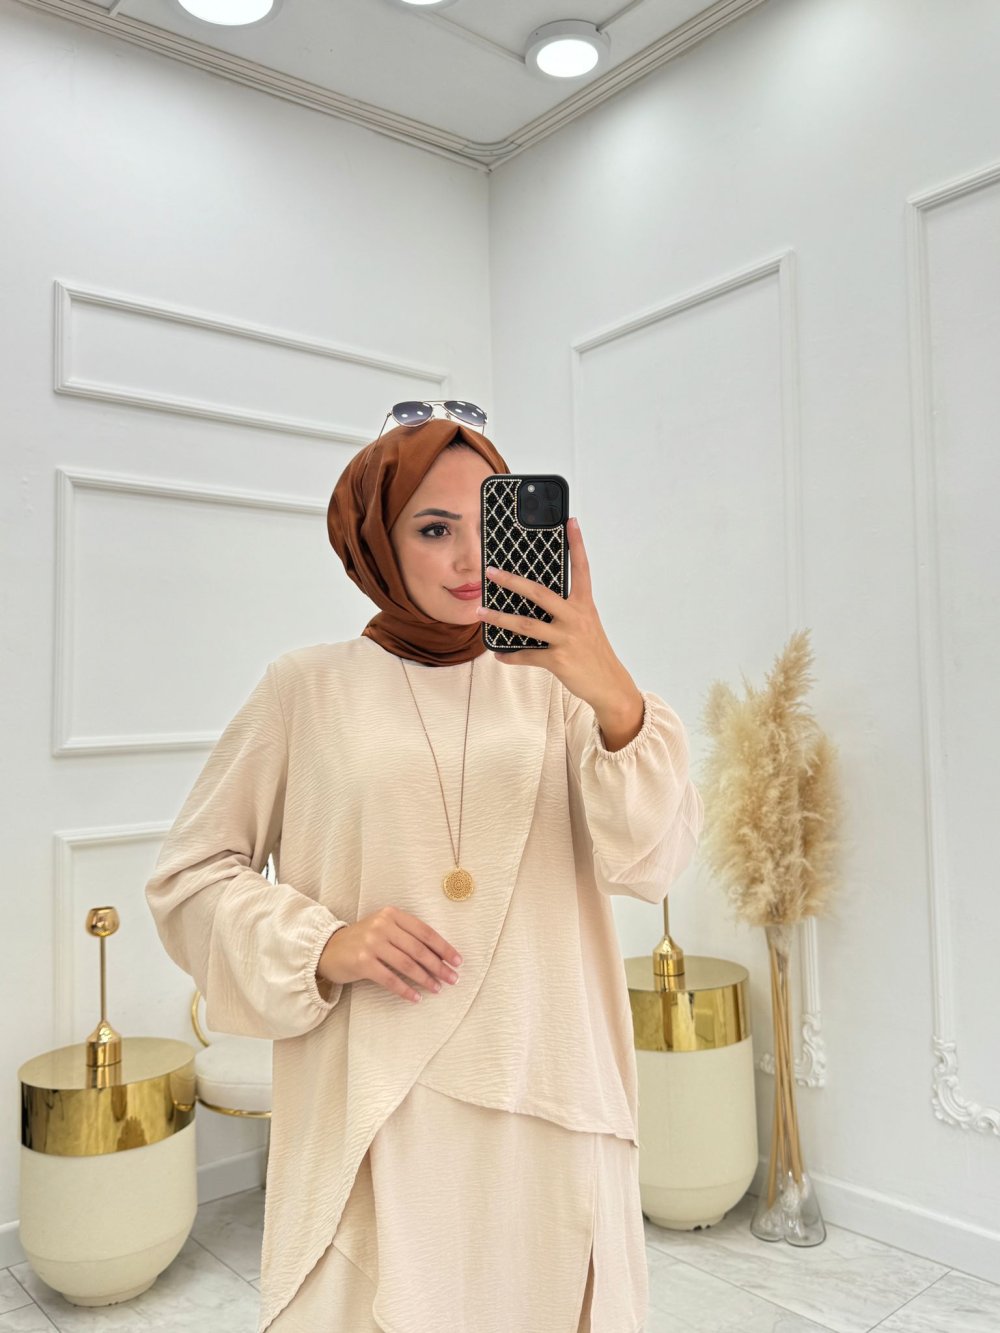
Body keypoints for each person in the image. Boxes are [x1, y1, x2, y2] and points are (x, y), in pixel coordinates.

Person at [145, 406, 704, 1333]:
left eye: (487, 525)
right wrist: (323, 943)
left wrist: (610, 686)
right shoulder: (305, 687)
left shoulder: (562, 689)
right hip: (383, 1103)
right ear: (376, 541)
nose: (468, 558)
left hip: (548, 1091)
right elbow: (189, 877)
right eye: (434, 529)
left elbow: (654, 859)